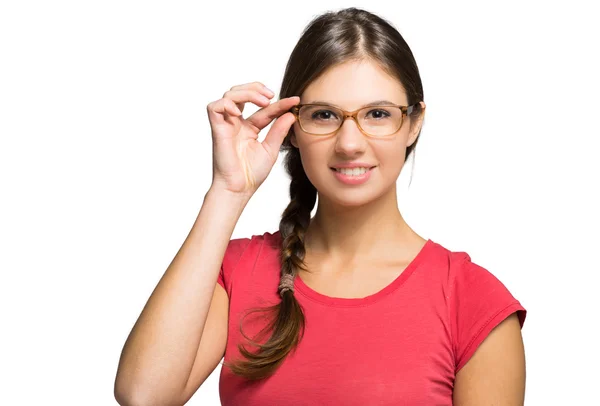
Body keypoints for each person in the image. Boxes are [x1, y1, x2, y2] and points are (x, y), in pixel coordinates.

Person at [114, 7, 527, 405]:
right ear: (291, 125)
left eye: (378, 114)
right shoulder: (237, 271)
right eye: (325, 115)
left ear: (414, 123)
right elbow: (144, 395)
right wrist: (228, 191)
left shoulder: (473, 300)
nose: (350, 144)